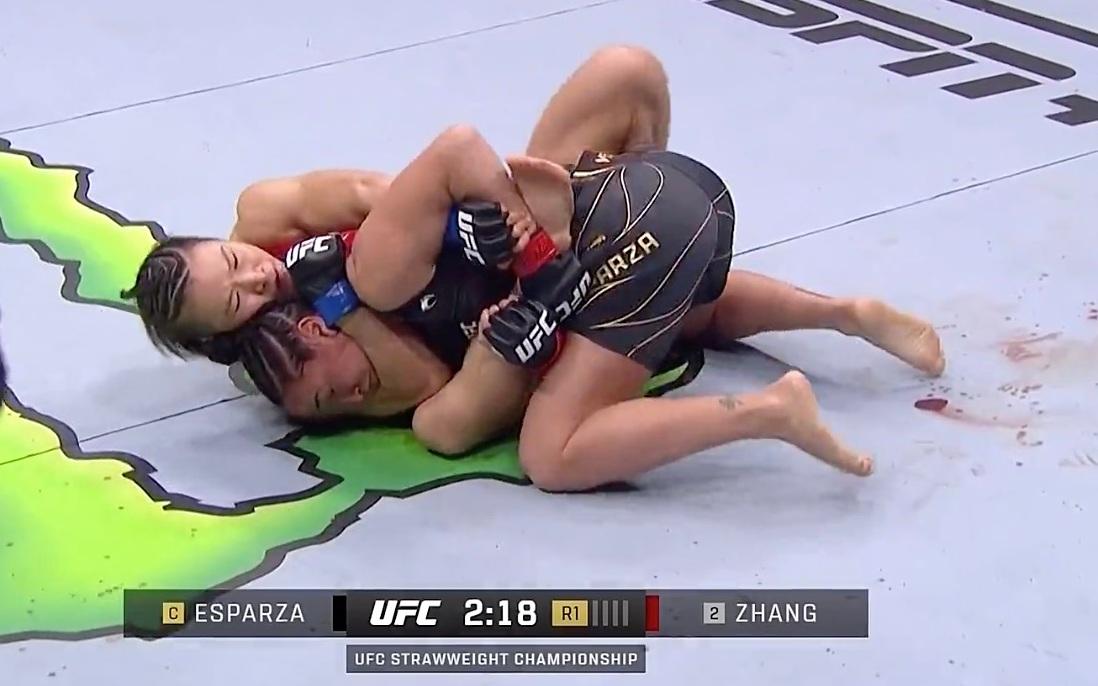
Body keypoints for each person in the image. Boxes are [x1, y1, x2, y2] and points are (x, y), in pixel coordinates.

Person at [234, 136, 945, 490]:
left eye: (328, 388)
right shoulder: (407, 349)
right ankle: (845, 312)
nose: (351, 398)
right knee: (678, 322)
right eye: (329, 411)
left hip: (626, 221)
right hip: (655, 195)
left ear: (316, 325)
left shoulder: (373, 278)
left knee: (553, 454)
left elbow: (464, 161)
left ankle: (768, 412)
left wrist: (530, 260)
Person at [120, 45, 671, 365]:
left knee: (627, 70)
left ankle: (636, 214)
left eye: (234, 261)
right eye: (235, 302)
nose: (257, 279)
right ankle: (563, 259)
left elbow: (370, 192)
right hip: (490, 326)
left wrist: (464, 222)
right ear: (220, 340)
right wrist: (340, 306)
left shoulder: (264, 215)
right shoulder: (282, 358)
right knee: (374, 279)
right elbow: (413, 385)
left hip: (494, 244)